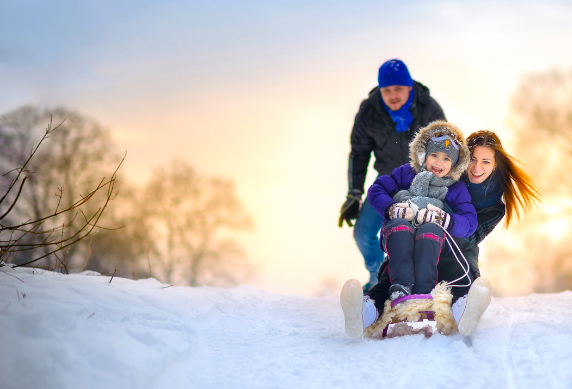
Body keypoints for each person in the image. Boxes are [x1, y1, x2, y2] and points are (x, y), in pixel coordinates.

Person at [341, 130, 540, 338]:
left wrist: (444, 221)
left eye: (486, 162)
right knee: (392, 274)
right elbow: (381, 188)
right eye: (472, 159)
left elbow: (469, 235)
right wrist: (395, 211)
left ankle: (465, 312)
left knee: (457, 279)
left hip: (455, 250)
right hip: (413, 239)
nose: (477, 167)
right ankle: (364, 312)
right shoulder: (446, 173)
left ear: (496, 165)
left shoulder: (489, 203)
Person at [338, 59, 446, 292]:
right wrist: (354, 194)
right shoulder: (369, 111)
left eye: (398, 88)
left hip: (422, 184)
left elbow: (445, 150)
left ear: (409, 87)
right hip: (387, 183)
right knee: (363, 234)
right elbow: (359, 154)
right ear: (380, 91)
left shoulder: (429, 109)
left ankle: (424, 283)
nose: (393, 95)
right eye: (387, 90)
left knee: (416, 234)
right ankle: (379, 275)